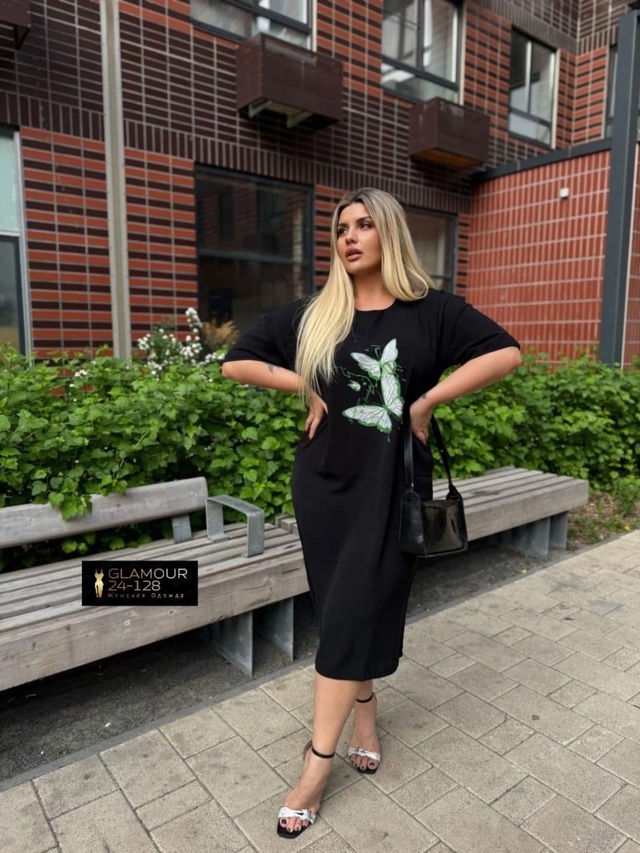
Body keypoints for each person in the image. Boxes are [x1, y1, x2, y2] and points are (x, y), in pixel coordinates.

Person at [221, 187, 522, 839]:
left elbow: (505, 352)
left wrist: (426, 402)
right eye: (340, 228)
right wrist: (302, 382)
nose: (349, 237)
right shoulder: (317, 315)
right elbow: (236, 362)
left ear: (389, 233)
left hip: (391, 490)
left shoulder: (432, 312)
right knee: (341, 613)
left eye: (363, 225)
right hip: (324, 488)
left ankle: (315, 765)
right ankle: (364, 711)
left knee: (354, 612)